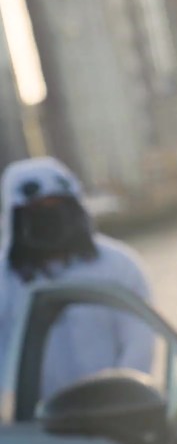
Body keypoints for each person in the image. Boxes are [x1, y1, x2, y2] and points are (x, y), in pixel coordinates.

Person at [0, 157, 155, 399]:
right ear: (15, 218)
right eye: (35, 211)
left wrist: (121, 401)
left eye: (55, 206)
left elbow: (139, 348)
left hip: (117, 416)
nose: (47, 218)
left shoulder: (120, 267)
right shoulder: (4, 280)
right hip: (34, 427)